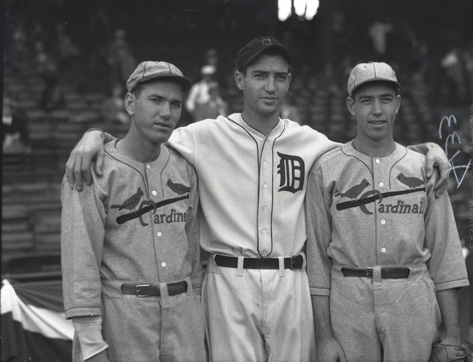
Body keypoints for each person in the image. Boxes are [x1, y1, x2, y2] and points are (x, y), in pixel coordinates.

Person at [64, 37, 450, 362]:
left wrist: (428, 148)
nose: (270, 86)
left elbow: (367, 152)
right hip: (229, 277)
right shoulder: (202, 135)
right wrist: (96, 135)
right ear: (239, 79)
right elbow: (139, 143)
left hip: (290, 278)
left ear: (289, 83)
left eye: (279, 77)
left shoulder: (311, 141)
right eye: (259, 75)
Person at [305, 62, 469, 362]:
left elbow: (445, 254)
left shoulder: (424, 168)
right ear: (351, 106)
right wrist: (324, 336)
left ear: (398, 104)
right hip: (348, 298)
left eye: (385, 99)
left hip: (411, 297)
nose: (377, 110)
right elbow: (316, 259)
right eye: (366, 101)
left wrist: (454, 334)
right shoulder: (327, 168)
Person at [61, 61, 206, 362]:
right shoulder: (94, 168)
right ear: (130, 102)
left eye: (175, 104)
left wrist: (196, 309)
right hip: (124, 316)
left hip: (183, 319)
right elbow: (80, 259)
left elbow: (191, 252)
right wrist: (89, 342)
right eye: (156, 100)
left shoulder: (185, 167)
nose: (166, 113)